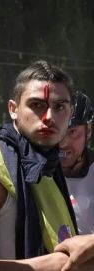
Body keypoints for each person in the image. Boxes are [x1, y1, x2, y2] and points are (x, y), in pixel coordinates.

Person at [0, 60, 90, 271]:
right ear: (13, 109)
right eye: (37, 105)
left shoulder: (50, 172)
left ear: (70, 114)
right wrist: (59, 262)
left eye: (59, 106)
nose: (49, 117)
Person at [59, 91, 94, 234]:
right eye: (58, 131)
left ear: (89, 131)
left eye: (72, 132)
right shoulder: (37, 174)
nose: (62, 143)